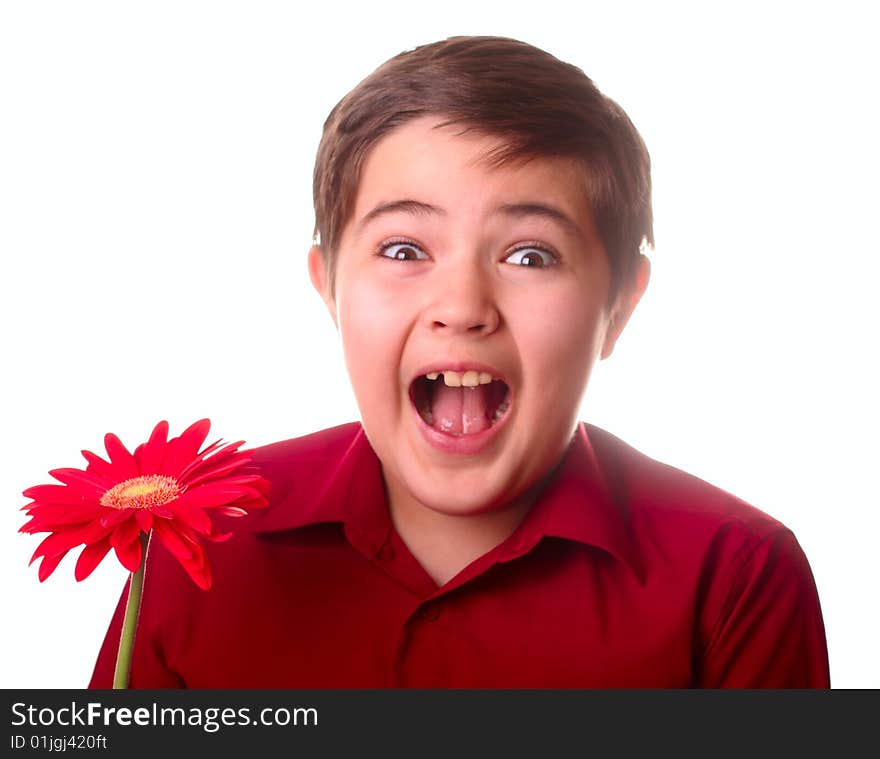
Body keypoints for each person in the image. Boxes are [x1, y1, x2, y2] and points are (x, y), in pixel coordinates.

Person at [89, 35, 829, 688]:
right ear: (330, 289)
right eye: (405, 249)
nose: (463, 304)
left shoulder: (736, 577)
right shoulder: (192, 545)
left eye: (530, 254)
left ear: (619, 308)